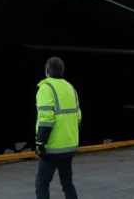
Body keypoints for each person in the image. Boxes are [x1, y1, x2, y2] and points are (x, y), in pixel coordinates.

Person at [34, 56, 81, 199]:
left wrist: (40, 143)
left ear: (47, 70)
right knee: (67, 183)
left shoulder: (46, 89)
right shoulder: (70, 88)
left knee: (41, 183)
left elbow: (46, 119)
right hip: (69, 145)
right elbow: (78, 117)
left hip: (52, 147)